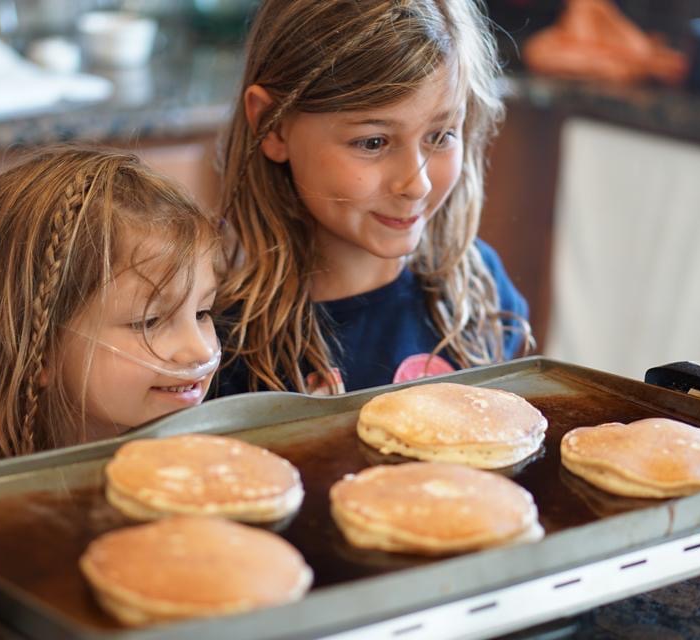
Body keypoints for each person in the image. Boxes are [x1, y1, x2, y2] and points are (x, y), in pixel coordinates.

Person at [214, 0, 533, 397]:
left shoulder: (479, 290)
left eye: (440, 135)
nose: (416, 186)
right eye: (373, 142)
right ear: (272, 126)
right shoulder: (220, 340)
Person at [0, 146, 222, 477]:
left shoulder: (205, 478)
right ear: (40, 348)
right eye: (148, 322)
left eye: (202, 313)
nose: (200, 350)